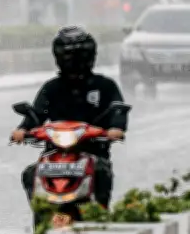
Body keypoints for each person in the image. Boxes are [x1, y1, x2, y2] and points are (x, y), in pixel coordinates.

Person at [10, 26, 128, 210]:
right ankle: (41, 212)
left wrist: (115, 128)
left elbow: (117, 109)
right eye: (68, 56)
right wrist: (22, 130)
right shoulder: (51, 88)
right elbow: (37, 114)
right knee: (30, 173)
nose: (73, 61)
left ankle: (99, 212)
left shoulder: (105, 86)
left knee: (100, 171)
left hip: (93, 151)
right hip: (54, 153)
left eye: (78, 56)